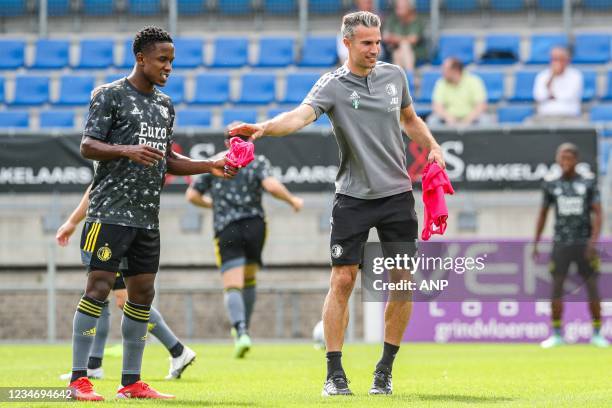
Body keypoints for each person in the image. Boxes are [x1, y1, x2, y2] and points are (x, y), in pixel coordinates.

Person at [230, 11, 444, 396]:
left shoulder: (395, 76)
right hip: (353, 198)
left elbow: (409, 119)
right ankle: (334, 373)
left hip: (397, 196)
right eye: (367, 43)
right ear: (347, 43)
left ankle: (384, 371)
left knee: (402, 282)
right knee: (342, 280)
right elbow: (299, 116)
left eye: (378, 42)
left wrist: (432, 145)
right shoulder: (331, 85)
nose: (375, 49)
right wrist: (264, 128)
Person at [68, 26, 238, 401]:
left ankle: (131, 382)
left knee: (142, 296)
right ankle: (78, 379)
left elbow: (170, 160)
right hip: (108, 214)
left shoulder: (164, 105)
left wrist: (209, 164)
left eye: (172, 61)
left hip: (146, 219)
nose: (168, 67)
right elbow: (88, 145)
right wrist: (127, 150)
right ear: (141, 58)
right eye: (162, 59)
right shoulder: (109, 95)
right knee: (97, 289)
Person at [185, 125, 304, 359]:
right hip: (255, 225)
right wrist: (292, 200)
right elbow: (271, 186)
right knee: (249, 279)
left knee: (232, 284)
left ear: (226, 142)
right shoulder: (257, 162)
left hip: (227, 227)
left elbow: (192, 195)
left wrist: (214, 205)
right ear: (251, 141)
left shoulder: (215, 162)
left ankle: (239, 331)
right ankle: (245, 330)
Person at [57, 186, 197, 382]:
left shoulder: (118, 161)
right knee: (103, 296)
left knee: (121, 299)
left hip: (116, 228)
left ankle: (177, 350)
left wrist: (72, 221)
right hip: (120, 225)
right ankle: (93, 365)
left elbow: (97, 186)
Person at [533, 143, 608, 349]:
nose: (565, 162)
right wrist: (536, 242)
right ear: (558, 159)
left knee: (592, 287)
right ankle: (556, 334)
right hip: (561, 243)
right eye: (562, 158)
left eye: (569, 158)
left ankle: (597, 334)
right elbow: (543, 214)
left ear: (575, 160)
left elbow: (599, 213)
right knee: (557, 288)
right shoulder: (551, 184)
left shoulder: (588, 182)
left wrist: (593, 241)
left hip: (584, 244)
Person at [427, 57, 489, 127]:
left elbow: (481, 105)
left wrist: (467, 120)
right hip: (448, 120)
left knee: (485, 120)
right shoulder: (441, 82)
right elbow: (437, 106)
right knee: (432, 120)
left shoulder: (474, 81)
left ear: (455, 70)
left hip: (471, 119)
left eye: (445, 69)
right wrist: (448, 117)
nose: (442, 71)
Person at [532, 47, 583, 122]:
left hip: (569, 117)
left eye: (561, 59)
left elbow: (568, 96)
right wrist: (552, 77)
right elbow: (539, 96)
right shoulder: (542, 76)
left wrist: (551, 96)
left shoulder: (576, 75)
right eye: (555, 59)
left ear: (567, 61)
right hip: (545, 117)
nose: (557, 63)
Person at [382, 0, 427, 72]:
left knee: (404, 45)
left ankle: (406, 75)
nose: (398, 9)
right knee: (398, 52)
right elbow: (385, 37)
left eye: (401, 7)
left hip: (416, 52)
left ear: (409, 8)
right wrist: (402, 39)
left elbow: (413, 39)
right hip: (396, 51)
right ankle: (407, 77)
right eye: (397, 7)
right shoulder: (393, 19)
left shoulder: (416, 20)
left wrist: (395, 38)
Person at [337, 0, 377, 64]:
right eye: (366, 2)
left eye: (370, 2)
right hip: (355, 45)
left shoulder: (377, 16)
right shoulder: (350, 15)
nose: (369, 4)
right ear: (358, 2)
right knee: (342, 37)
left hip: (371, 46)